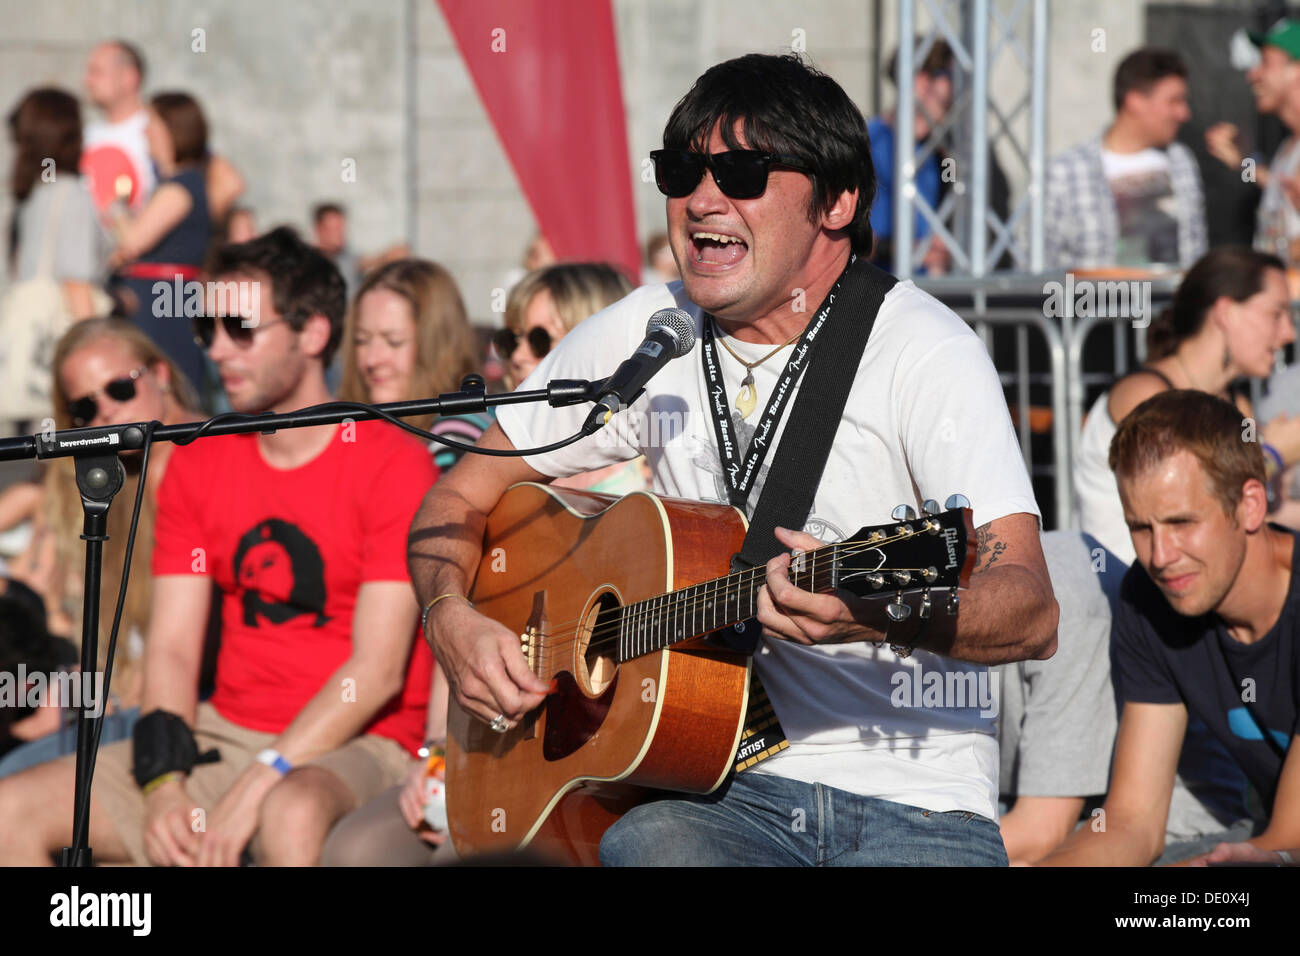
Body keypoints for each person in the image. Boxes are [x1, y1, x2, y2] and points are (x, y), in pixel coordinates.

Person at [408, 52, 1057, 867]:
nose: (702, 199)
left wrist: (880, 610)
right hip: (712, 793)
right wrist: (451, 620)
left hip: (918, 806)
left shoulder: (926, 354)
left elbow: (1031, 607)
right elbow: (457, 497)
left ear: (839, 200)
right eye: (682, 171)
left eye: (743, 172)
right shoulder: (649, 334)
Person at [0, 227, 438, 866]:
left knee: (290, 812)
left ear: (312, 333)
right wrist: (163, 783)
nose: (219, 351)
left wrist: (261, 780)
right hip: (224, 731)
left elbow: (373, 674)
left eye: (241, 329)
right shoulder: (202, 462)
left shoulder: (392, 463)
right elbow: (173, 651)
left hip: (358, 739)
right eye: (207, 332)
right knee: (12, 808)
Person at [1039, 391, 1300, 866]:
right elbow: (1132, 821)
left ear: (1251, 505)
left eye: (1182, 522)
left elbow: (1286, 843)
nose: (1160, 556)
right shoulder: (1150, 599)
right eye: (1141, 527)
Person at [0, 319, 202, 779]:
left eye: (119, 388)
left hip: (180, 708)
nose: (107, 411)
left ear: (161, 374)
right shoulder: (99, 487)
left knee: (10, 787)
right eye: (85, 405)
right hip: (102, 702)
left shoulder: (209, 454)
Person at [995, 531, 1255, 865]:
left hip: (1174, 834)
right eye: (1141, 526)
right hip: (1032, 809)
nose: (1160, 557)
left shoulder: (1070, 603)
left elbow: (1042, 831)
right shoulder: (916, 597)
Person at [1075, 246, 1300, 565]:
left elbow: (1248, 513)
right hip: (1129, 592)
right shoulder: (1144, 394)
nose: (1289, 333)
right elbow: (1196, 495)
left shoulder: (1240, 408)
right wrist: (1274, 454)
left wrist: (1271, 482)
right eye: (1275, 314)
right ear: (1226, 312)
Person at [1044, 47, 1206, 269]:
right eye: (1174, 101)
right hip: (1095, 303)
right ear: (1135, 101)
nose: (1184, 113)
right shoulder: (1066, 172)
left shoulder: (1181, 161)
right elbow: (1037, 266)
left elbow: (1196, 252)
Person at [494, 263, 646, 495]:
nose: (517, 356)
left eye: (539, 341)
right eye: (510, 340)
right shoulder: (498, 451)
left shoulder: (653, 475)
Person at [339, 258, 489, 473]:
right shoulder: (348, 426)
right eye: (361, 340)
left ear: (437, 345)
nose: (372, 359)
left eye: (394, 341)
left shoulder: (457, 436)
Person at [110, 91, 215, 397]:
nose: (145, 132)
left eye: (151, 123)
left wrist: (116, 207)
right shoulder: (174, 185)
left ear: (172, 129)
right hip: (161, 300)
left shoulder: (180, 187)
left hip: (165, 304)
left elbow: (132, 242)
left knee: (169, 386)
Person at [867, 38, 953, 275]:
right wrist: (910, 250)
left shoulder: (943, 153)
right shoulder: (870, 141)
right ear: (922, 81)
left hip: (931, 298)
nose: (957, 91)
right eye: (951, 77)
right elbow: (844, 241)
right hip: (876, 297)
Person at [81, 40, 154, 213]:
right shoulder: (83, 134)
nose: (87, 81)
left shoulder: (156, 132)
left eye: (97, 72)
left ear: (129, 77)